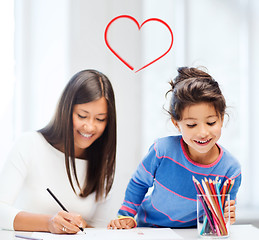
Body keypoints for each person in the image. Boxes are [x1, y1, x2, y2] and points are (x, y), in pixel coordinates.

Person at [108, 67, 241, 229]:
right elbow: (139, 182)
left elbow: (219, 219)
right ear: (175, 123)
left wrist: (225, 218)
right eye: (191, 125)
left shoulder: (231, 169)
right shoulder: (162, 150)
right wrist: (126, 215)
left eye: (211, 122)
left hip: (193, 234)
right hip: (150, 228)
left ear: (221, 118)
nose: (203, 133)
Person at [0, 69, 117, 233]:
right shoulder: (30, 144)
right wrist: (48, 223)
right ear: (66, 110)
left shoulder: (101, 164)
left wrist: (81, 224)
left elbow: (99, 230)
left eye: (100, 119)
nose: (90, 126)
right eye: (82, 116)